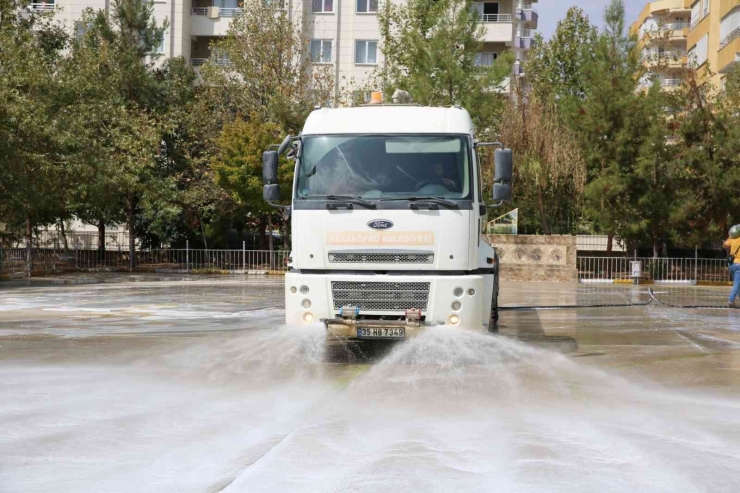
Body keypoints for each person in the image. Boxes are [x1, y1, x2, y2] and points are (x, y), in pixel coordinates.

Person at [723, 224, 740, 308]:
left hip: (732, 264)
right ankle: (730, 300)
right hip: (739, 265)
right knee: (737, 284)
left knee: (737, 284)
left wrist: (730, 236)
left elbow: (725, 245)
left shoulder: (734, 239)